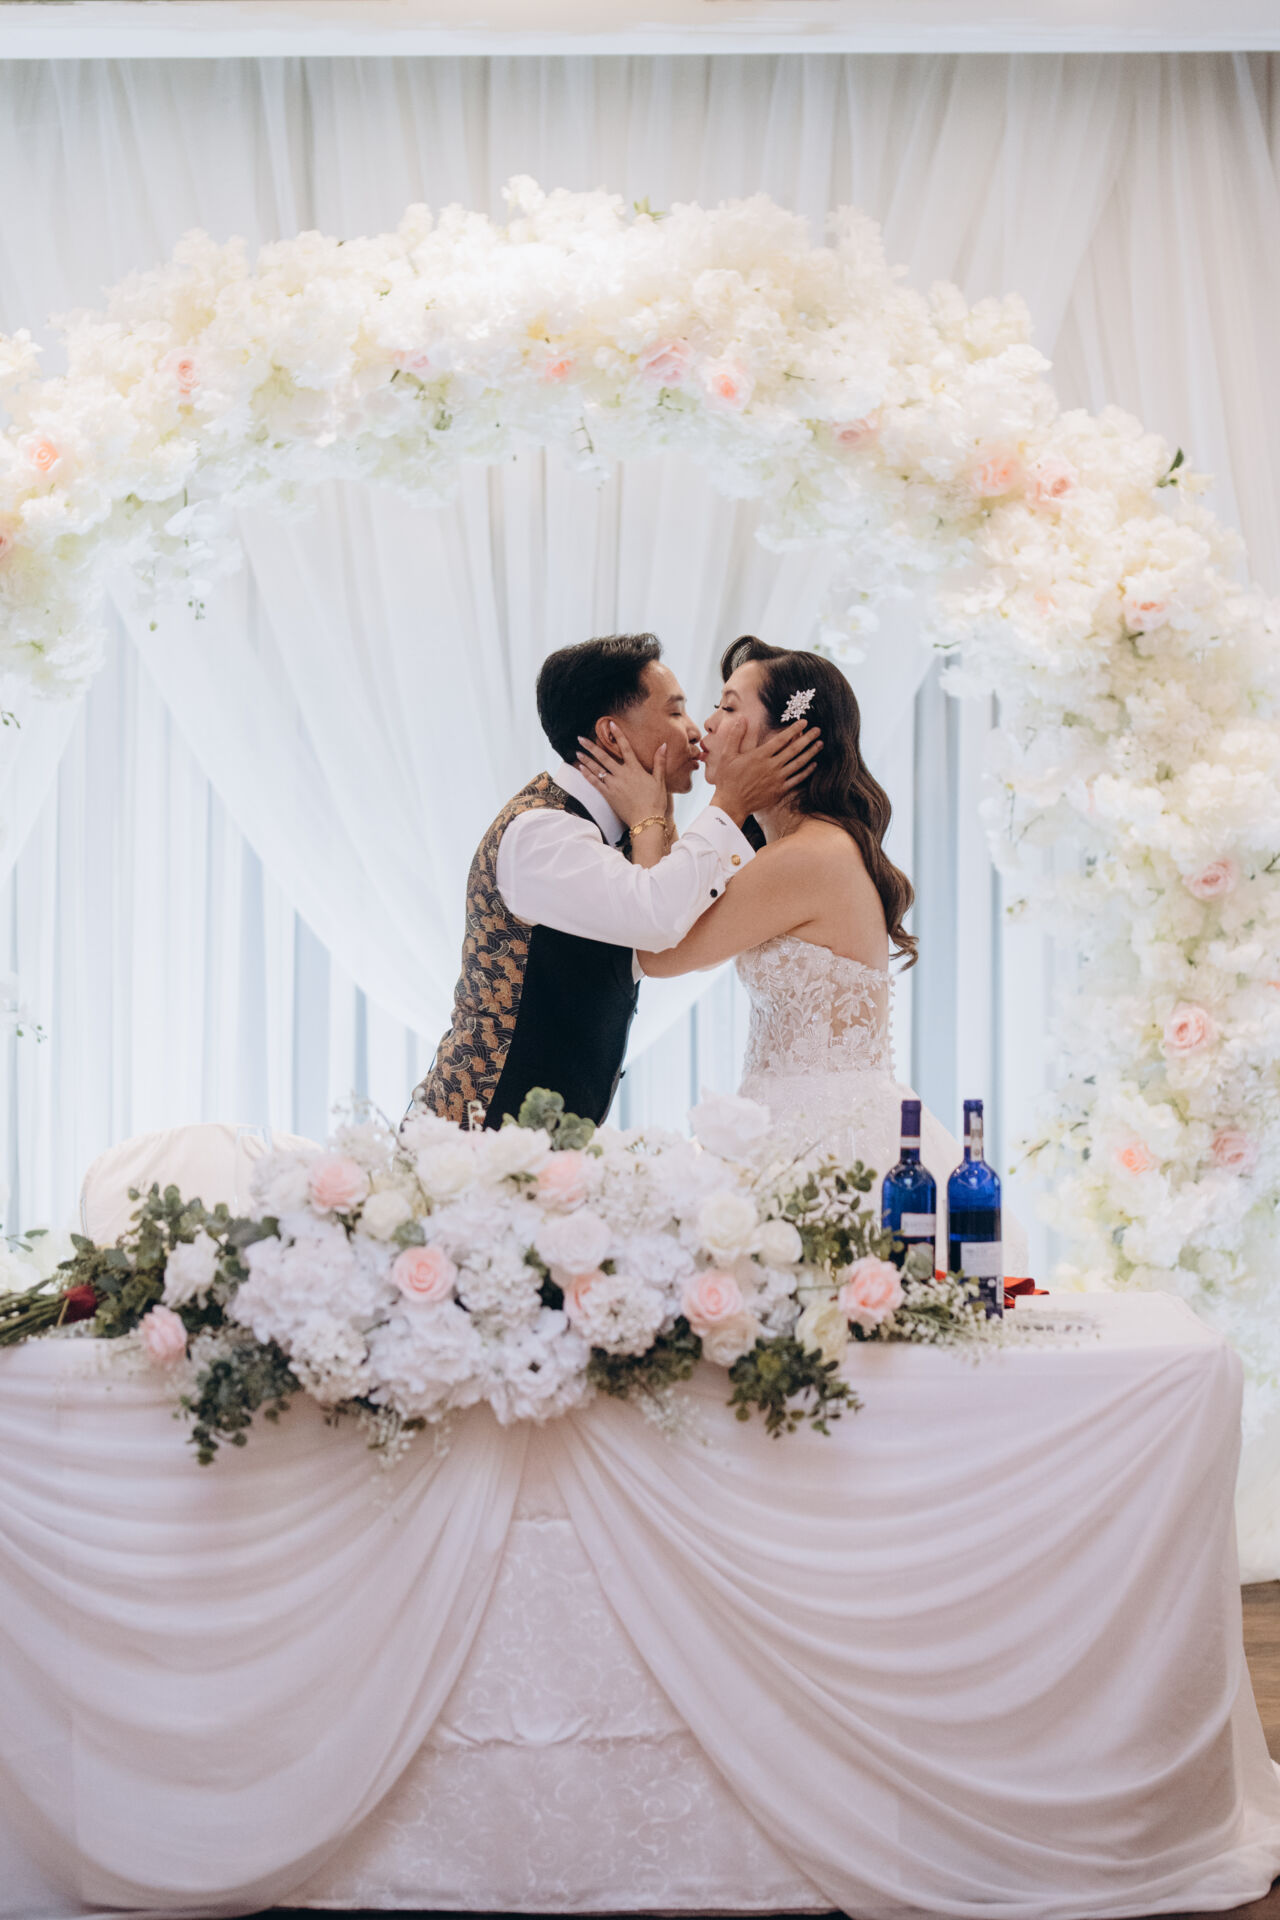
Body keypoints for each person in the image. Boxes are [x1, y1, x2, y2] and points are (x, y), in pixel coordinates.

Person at [577, 634, 1028, 1271]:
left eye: (729, 707)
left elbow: (660, 951)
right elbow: (674, 914)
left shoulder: (808, 857)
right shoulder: (798, 849)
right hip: (794, 1117)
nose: (708, 724)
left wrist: (651, 817)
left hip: (824, 1136)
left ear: (787, 740)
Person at [410, 632, 820, 1130]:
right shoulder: (542, 833)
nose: (696, 730)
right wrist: (728, 803)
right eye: (675, 712)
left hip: (543, 1143)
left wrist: (652, 822)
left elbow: (675, 922)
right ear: (610, 735)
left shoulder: (615, 832)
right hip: (473, 1137)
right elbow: (657, 920)